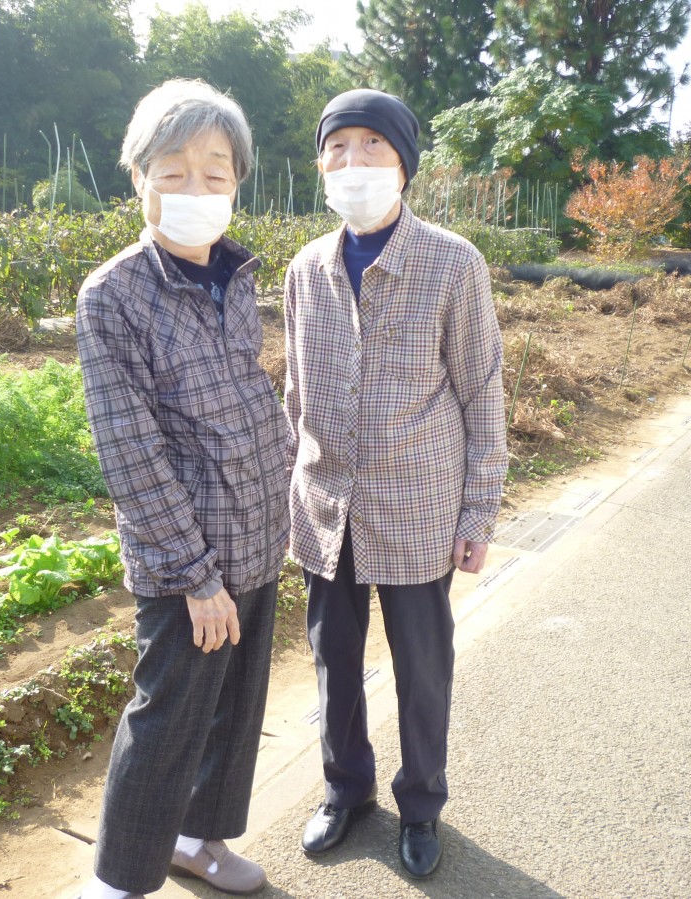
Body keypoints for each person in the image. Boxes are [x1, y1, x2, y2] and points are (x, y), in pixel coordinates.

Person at [74, 79, 289, 899]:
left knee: (234, 709)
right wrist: (196, 576)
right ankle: (119, 883)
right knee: (166, 719)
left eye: (215, 171)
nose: (196, 188)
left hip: (256, 536)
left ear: (237, 183)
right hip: (185, 561)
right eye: (173, 171)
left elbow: (247, 395)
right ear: (139, 179)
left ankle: (198, 841)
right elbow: (130, 450)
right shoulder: (114, 295)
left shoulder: (237, 276)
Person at [283, 89, 506, 879]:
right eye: (337, 147)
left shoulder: (452, 263)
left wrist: (478, 511)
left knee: (422, 666)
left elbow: (481, 392)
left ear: (405, 164)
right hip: (326, 506)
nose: (354, 162)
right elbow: (296, 393)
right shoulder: (306, 268)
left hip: (418, 506)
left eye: (372, 145)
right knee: (333, 658)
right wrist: (291, 492)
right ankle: (346, 790)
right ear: (321, 165)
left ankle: (420, 804)